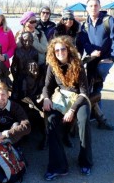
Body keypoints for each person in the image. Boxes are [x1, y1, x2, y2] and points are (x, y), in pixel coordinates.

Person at [42, 36, 93, 180]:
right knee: (51, 120)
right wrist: (46, 98)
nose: (60, 52)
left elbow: (84, 92)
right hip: (62, 98)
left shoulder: (77, 64)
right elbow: (47, 86)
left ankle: (85, 161)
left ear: (68, 49)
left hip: (79, 99)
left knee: (83, 121)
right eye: (56, 50)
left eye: (62, 49)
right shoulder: (52, 66)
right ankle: (59, 166)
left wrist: (72, 110)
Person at [80, 0, 114, 128]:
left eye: (96, 5)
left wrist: (112, 57)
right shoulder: (85, 25)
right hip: (92, 59)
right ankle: (95, 113)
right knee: (87, 85)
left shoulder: (108, 21)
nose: (93, 8)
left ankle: (98, 116)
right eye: (91, 6)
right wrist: (88, 53)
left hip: (106, 58)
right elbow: (83, 42)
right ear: (87, 8)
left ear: (100, 7)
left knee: (98, 82)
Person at [0, 81, 31, 146]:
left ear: (8, 95)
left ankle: (10, 146)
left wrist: (4, 134)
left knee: (16, 124)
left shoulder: (16, 107)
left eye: (3, 94)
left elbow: (27, 127)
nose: (0, 98)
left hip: (9, 133)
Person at [15, 11, 48, 82]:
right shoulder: (18, 34)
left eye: (35, 21)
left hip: (39, 67)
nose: (34, 24)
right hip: (23, 69)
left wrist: (32, 40)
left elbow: (44, 49)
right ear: (25, 23)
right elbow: (15, 48)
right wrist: (23, 38)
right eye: (31, 22)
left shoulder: (40, 34)